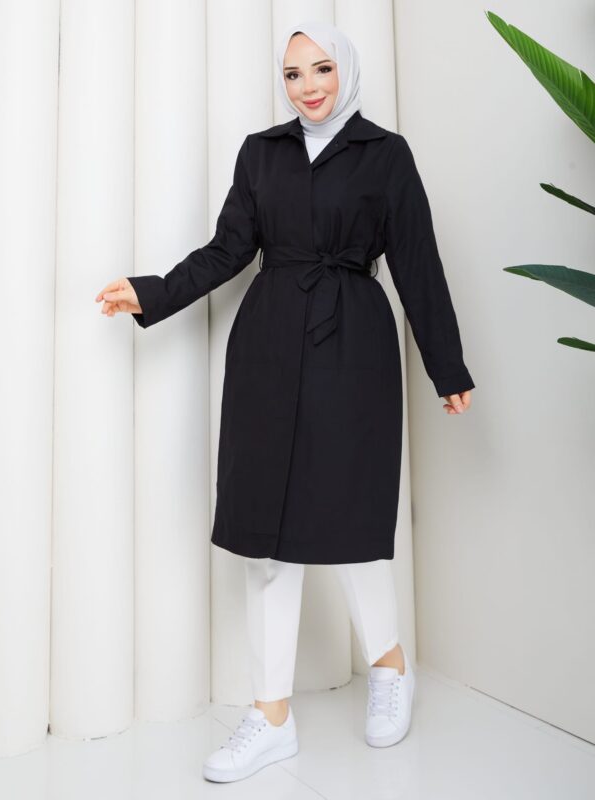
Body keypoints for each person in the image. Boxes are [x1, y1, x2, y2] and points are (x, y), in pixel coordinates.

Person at [95, 20, 474, 784]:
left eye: (322, 68)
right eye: (294, 74)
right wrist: (153, 292)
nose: (308, 87)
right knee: (265, 532)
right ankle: (270, 716)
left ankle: (389, 666)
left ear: (346, 70)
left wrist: (448, 367)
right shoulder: (261, 153)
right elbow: (228, 249)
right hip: (268, 348)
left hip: (353, 345)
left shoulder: (385, 154)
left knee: (351, 519)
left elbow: (417, 262)